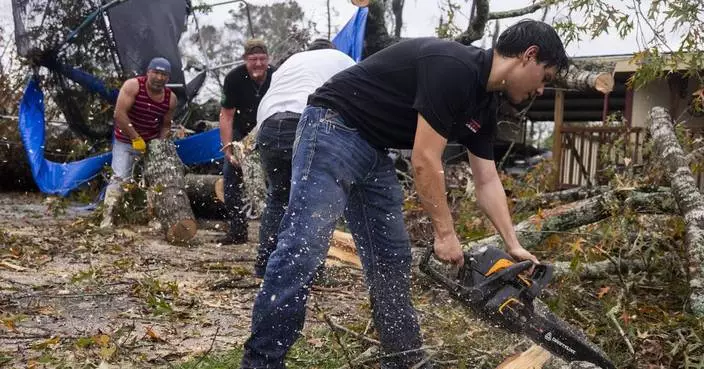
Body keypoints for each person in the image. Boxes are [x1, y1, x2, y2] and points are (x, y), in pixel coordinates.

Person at [240, 20, 569, 368]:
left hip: (375, 148)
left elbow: (487, 180)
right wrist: (445, 234)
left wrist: (512, 242)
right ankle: (262, 361)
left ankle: (403, 360)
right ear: (529, 55)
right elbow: (425, 160)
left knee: (391, 261)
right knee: (303, 247)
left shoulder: (484, 106)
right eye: (545, 77)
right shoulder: (454, 66)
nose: (541, 90)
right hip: (333, 126)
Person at [252, 39, 356, 278]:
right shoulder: (342, 60)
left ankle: (265, 265)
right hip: (302, 120)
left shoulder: (290, 62)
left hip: (268, 124)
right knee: (317, 198)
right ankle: (309, 269)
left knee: (278, 195)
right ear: (331, 51)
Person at [101, 57, 177, 229]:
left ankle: (152, 217)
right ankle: (108, 216)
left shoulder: (170, 99)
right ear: (148, 72)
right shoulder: (133, 86)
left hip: (151, 143)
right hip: (126, 140)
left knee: (153, 181)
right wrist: (135, 138)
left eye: (163, 74)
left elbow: (166, 125)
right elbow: (119, 114)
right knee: (119, 177)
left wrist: (160, 145)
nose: (159, 77)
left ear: (168, 78)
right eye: (156, 72)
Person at [218, 39, 275, 245]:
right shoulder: (234, 78)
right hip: (242, 132)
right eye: (253, 59)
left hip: (270, 129)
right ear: (245, 60)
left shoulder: (277, 76)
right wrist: (228, 148)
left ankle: (274, 230)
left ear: (268, 59)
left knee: (276, 179)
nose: (258, 64)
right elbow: (226, 114)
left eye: (262, 59)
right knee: (231, 179)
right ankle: (237, 230)